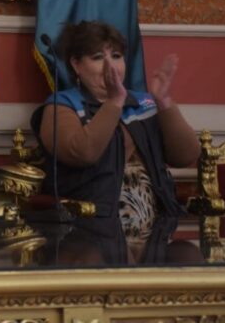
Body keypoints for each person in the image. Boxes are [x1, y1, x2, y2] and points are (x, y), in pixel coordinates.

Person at [30, 20, 200, 232]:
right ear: (76, 64)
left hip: (158, 224)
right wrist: (114, 102)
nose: (110, 65)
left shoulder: (144, 103)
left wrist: (165, 102)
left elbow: (186, 156)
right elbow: (82, 153)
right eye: (98, 57)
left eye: (116, 56)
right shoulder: (62, 105)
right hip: (90, 227)